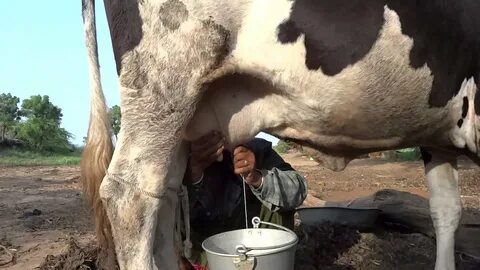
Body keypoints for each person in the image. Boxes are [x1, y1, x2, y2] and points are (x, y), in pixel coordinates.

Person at [182, 130, 308, 267]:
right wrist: (193, 174)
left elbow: (298, 190)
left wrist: (257, 178)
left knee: (277, 202)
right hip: (209, 256)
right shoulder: (180, 159)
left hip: (264, 253)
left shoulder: (257, 150)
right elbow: (169, 218)